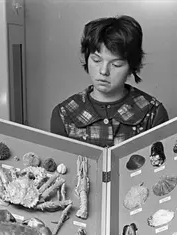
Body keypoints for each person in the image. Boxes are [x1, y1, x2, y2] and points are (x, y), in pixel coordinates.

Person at [50, 15, 169, 147]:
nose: (103, 71)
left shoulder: (152, 112)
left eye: (116, 64)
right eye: (96, 60)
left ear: (131, 67)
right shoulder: (64, 113)